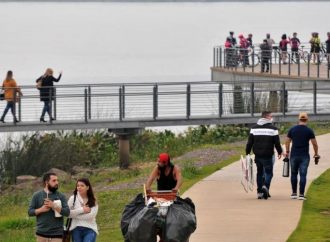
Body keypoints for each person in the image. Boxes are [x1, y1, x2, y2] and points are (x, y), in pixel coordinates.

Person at [246, 111, 283, 199]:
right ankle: (265, 186)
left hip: (258, 155)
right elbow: (277, 143)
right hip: (268, 155)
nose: (271, 118)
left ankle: (259, 192)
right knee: (269, 173)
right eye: (270, 116)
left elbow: (250, 142)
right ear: (266, 117)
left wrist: (247, 153)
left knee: (259, 173)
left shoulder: (254, 128)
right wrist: (279, 152)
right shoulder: (273, 129)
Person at [285, 112, 319, 200]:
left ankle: (293, 193)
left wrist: (287, 151)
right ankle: (301, 195)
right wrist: (316, 153)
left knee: (293, 174)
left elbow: (287, 141)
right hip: (304, 156)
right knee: (303, 175)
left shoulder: (292, 129)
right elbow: (314, 144)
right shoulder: (309, 130)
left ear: (299, 119)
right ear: (307, 120)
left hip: (294, 155)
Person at [28, 172, 70, 242]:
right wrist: (41, 209)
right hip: (41, 234)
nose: (57, 182)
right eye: (54, 181)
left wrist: (54, 206)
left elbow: (67, 212)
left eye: (57, 180)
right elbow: (30, 212)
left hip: (57, 235)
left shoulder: (61, 196)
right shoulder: (37, 195)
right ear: (46, 182)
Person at [68, 178, 98, 242]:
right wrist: (82, 210)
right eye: (78, 185)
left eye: (82, 185)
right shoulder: (73, 198)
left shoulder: (93, 200)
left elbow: (91, 216)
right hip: (76, 229)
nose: (79, 187)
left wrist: (74, 215)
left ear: (87, 187)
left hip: (90, 229)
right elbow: (67, 213)